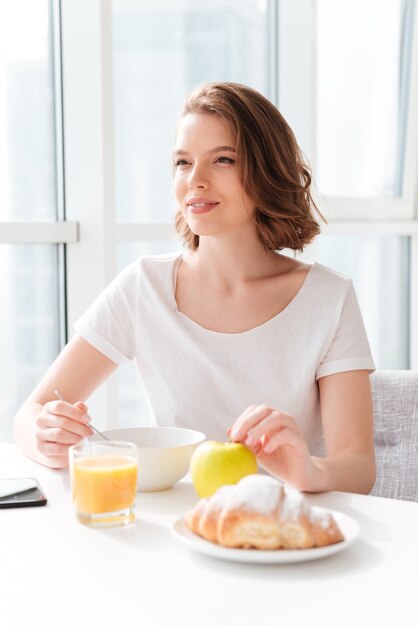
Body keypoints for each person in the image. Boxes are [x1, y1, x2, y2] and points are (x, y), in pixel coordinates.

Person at [13, 82, 376, 494]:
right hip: (177, 534)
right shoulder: (143, 287)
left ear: (266, 171)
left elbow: (358, 467)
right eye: (183, 163)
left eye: (222, 160)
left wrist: (310, 472)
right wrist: (45, 437)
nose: (195, 181)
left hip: (286, 533)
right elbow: (31, 413)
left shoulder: (329, 297)